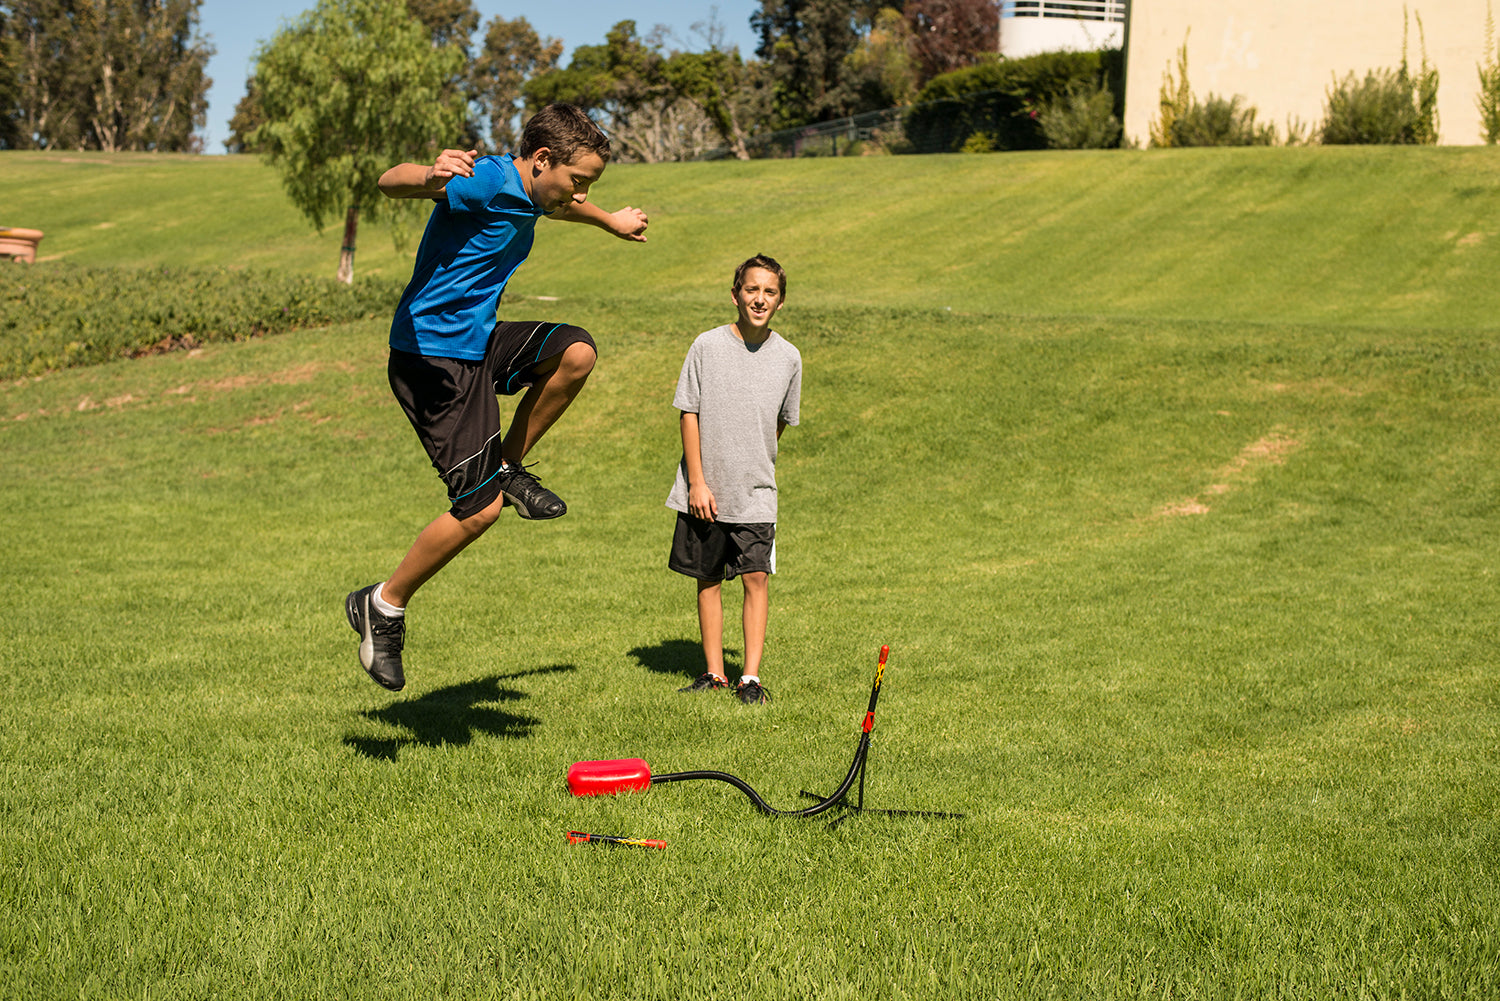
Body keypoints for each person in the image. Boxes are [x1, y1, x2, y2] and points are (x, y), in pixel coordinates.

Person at [345, 103, 649, 692]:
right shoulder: (484, 179)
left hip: (476, 344)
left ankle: (508, 466)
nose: (579, 192)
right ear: (542, 160)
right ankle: (383, 602)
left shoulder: (532, 194)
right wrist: (430, 176)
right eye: (578, 180)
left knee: (575, 353)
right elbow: (390, 182)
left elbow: (562, 208)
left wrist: (609, 219)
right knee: (478, 511)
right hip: (431, 358)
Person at [666, 254, 802, 705]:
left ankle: (750, 679)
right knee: (706, 578)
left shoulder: (789, 358)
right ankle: (713, 673)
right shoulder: (706, 346)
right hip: (706, 489)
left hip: (757, 492)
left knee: (756, 578)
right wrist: (698, 483)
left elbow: (781, 422)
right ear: (735, 294)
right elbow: (690, 414)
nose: (759, 299)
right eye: (751, 289)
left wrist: (757, 462)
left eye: (769, 292)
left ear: (780, 302)